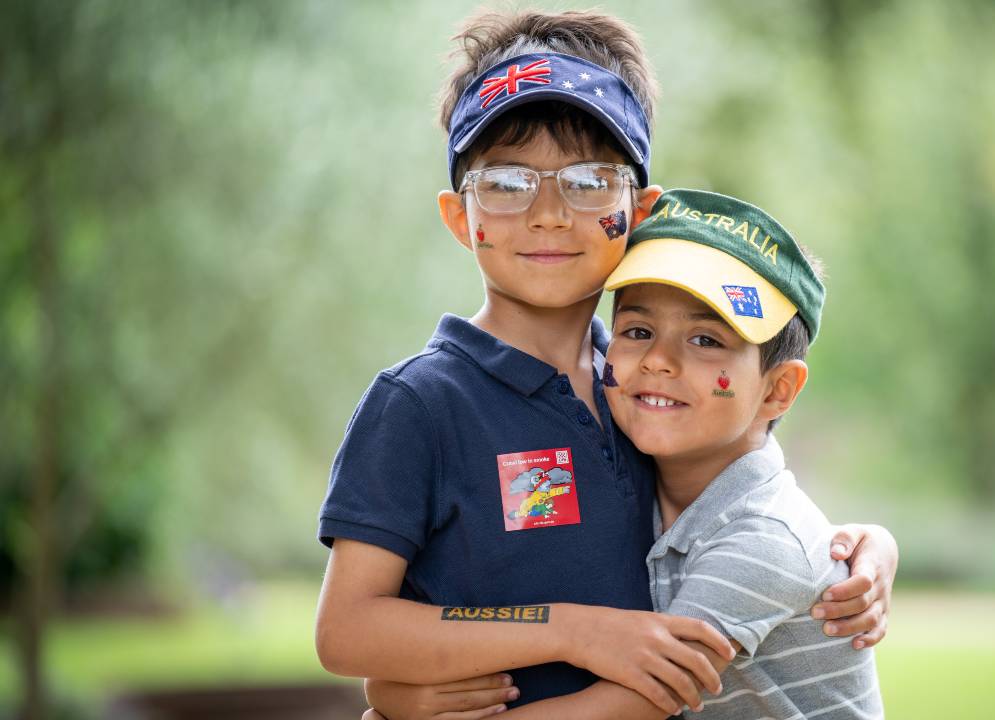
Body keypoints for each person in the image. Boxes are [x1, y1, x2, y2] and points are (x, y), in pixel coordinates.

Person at [313, 9, 898, 719]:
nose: (550, 213)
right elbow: (346, 631)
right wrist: (571, 628)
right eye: (505, 181)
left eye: (589, 181)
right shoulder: (419, 404)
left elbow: (748, 513)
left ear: (638, 207)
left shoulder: (639, 393)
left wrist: (863, 547)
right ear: (461, 217)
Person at [491, 189, 882, 719]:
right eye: (637, 331)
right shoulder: (620, 475)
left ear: (778, 390)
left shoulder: (765, 540)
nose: (658, 360)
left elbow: (635, 706)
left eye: (705, 340)